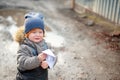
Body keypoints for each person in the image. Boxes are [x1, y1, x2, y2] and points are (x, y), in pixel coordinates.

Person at [15, 14, 50, 80]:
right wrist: (38, 59)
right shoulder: (24, 47)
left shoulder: (45, 44)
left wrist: (48, 63)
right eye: (34, 32)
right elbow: (23, 63)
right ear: (27, 34)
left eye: (40, 32)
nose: (38, 35)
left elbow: (53, 56)